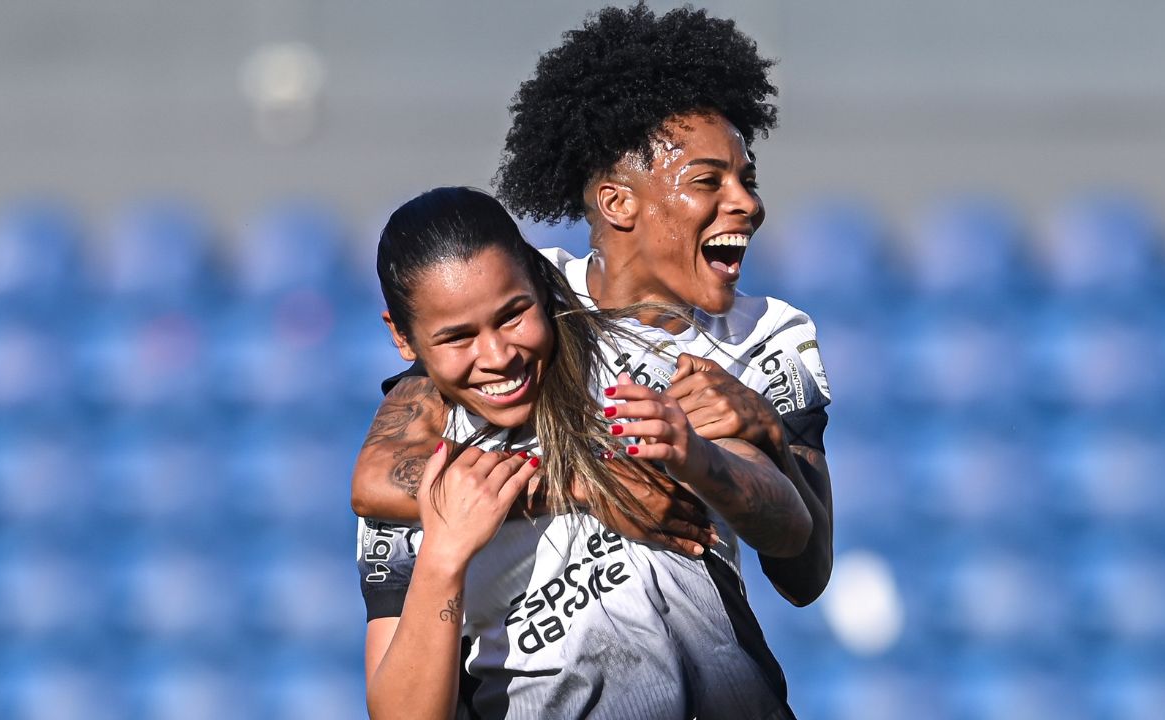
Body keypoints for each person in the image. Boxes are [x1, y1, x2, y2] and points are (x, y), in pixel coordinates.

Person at [354, 0, 834, 695]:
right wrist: (584, 487)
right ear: (617, 203)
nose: (748, 203)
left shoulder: (768, 343)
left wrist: (757, 431)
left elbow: (805, 566)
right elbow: (376, 474)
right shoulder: (533, 305)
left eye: (746, 179)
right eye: (709, 181)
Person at [365, 186, 807, 719]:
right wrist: (443, 559)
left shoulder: (643, 363)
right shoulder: (412, 483)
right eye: (457, 337)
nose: (498, 355)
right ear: (403, 338)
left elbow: (792, 530)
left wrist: (697, 459)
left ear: (538, 280)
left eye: (512, 315)